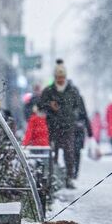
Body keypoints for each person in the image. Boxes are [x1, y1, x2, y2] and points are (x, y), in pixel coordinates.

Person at [39, 59, 89, 189]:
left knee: (69, 154)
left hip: (68, 127)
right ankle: (53, 178)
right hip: (53, 127)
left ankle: (69, 178)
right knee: (52, 154)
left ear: (65, 77)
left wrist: (73, 116)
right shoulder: (49, 91)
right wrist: (49, 105)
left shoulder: (72, 90)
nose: (60, 80)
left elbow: (78, 106)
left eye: (62, 77)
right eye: (58, 77)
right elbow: (40, 105)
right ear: (55, 77)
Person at [72, 95, 92, 179]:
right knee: (75, 152)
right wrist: (89, 131)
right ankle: (74, 171)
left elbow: (85, 116)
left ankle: (73, 171)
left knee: (73, 152)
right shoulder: (79, 101)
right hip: (77, 132)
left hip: (74, 132)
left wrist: (90, 131)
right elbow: (85, 116)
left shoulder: (74, 101)